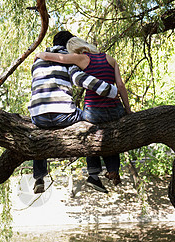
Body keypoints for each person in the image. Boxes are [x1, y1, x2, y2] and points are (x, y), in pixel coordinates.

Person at [34, 36, 132, 193]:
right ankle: (105, 171)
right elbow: (116, 84)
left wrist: (39, 54)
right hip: (113, 110)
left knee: (88, 132)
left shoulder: (70, 59)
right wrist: (122, 103)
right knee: (100, 130)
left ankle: (40, 176)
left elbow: (47, 59)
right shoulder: (106, 58)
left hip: (50, 114)